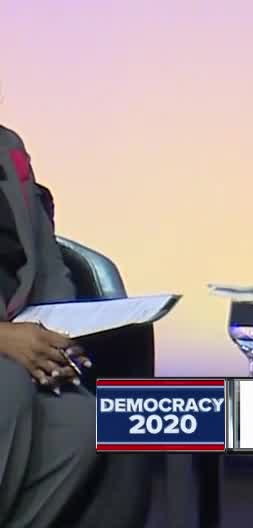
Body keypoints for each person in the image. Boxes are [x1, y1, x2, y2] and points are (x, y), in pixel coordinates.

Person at [0, 125, 151, 528]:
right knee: (8, 386)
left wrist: (61, 332)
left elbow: (45, 261)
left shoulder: (8, 146)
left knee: (82, 422)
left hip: (16, 332)